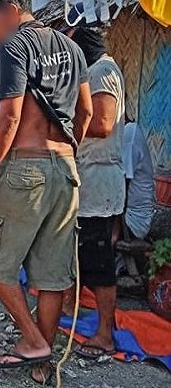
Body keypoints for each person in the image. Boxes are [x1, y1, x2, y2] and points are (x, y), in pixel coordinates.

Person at [0, 0, 92, 384]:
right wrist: (66, 152)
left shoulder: (14, 46)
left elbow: (11, 116)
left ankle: (34, 340)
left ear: (9, 12)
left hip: (26, 169)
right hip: (66, 170)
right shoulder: (73, 48)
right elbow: (87, 113)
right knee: (51, 274)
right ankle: (41, 362)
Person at [64, 26, 125, 360]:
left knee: (99, 261)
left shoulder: (103, 71)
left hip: (99, 181)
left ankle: (105, 334)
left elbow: (103, 123)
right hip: (89, 179)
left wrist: (66, 118)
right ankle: (68, 313)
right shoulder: (96, 71)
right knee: (79, 254)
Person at [120, 119, 156, 241]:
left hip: (133, 220)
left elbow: (122, 185)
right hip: (127, 215)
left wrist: (115, 230)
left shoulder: (129, 132)